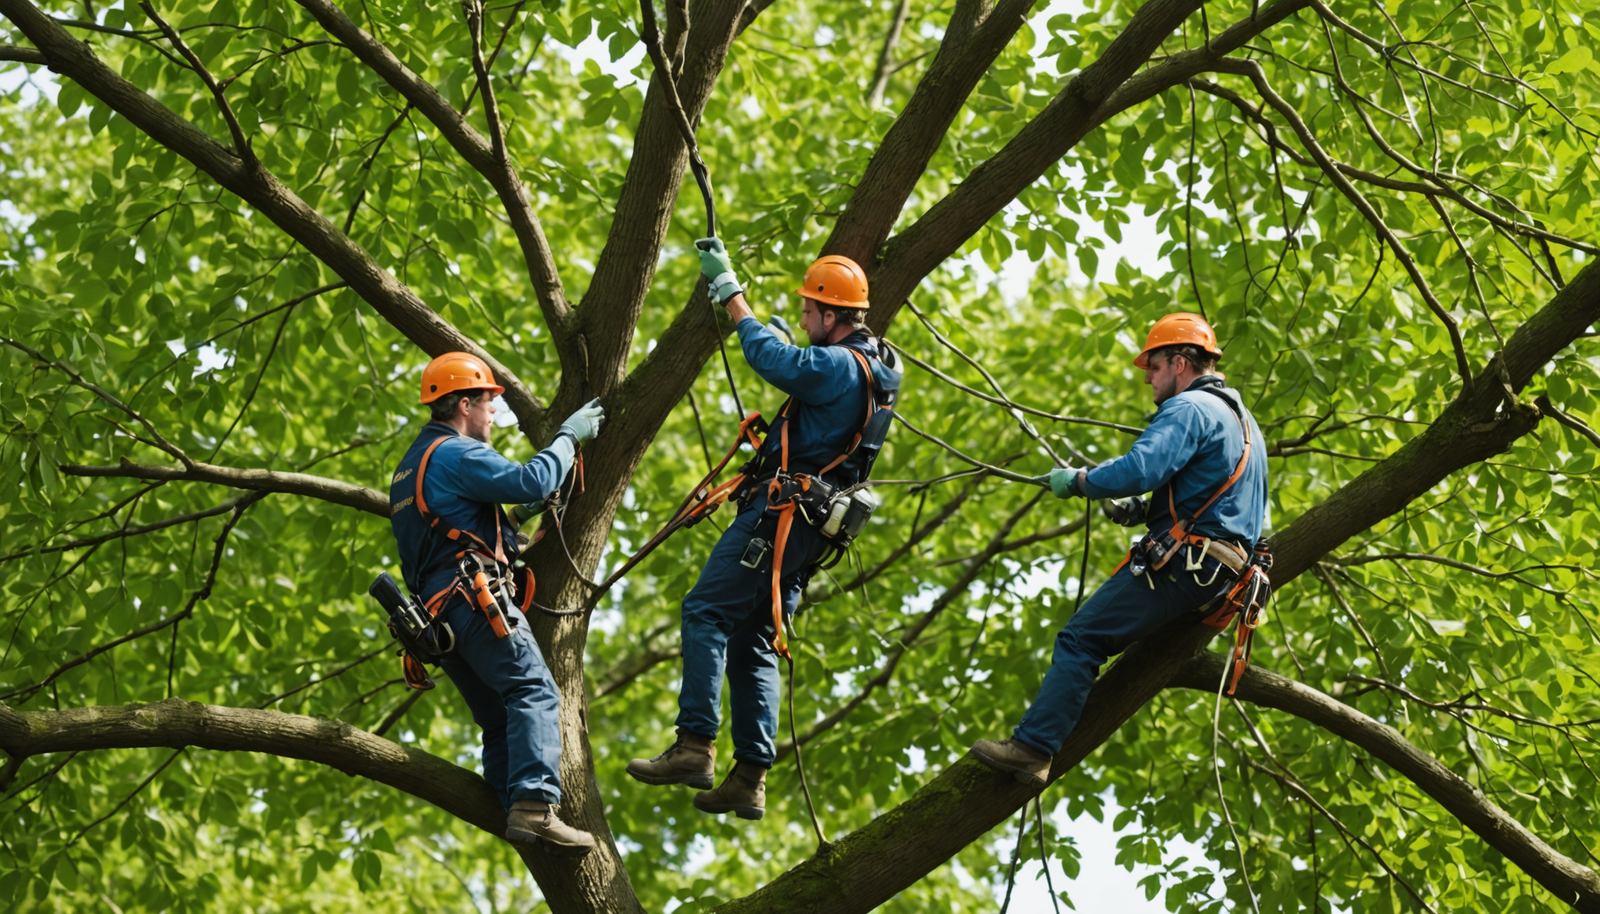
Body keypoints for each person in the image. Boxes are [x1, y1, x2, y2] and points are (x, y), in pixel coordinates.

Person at [625, 242, 898, 820]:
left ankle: (694, 744)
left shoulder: (839, 365)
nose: (802, 319)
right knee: (752, 638)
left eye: (807, 312)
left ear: (832, 315)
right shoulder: (873, 368)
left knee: (705, 610)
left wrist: (733, 296)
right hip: (810, 528)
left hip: (782, 516)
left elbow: (778, 364)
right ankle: (750, 776)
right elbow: (806, 380)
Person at [971, 313, 1268, 787]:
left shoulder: (1189, 408)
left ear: (1179, 362)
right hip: (1225, 577)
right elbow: (1229, 503)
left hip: (1187, 567)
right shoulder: (1244, 422)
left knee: (1082, 638)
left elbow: (1140, 466)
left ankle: (1033, 747)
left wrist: (1083, 482)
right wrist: (1144, 511)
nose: (1147, 377)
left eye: (1152, 367)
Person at [388, 351, 605, 854]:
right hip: (474, 599)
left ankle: (512, 804)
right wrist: (568, 438)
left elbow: (446, 530)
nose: (494, 416)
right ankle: (533, 804)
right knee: (534, 690)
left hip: (441, 619)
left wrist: (509, 523)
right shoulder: (455, 451)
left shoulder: (410, 468)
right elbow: (532, 478)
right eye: (489, 405)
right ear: (464, 404)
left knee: (500, 718)